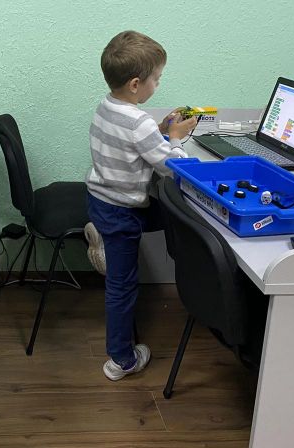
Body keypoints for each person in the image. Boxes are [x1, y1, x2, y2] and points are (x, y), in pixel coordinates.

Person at [84, 30, 197, 381]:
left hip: (101, 198)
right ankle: (121, 360)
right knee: (122, 285)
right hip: (122, 211)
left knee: (174, 216)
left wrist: (161, 130)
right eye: (156, 79)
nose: (158, 85)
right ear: (136, 84)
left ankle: (103, 236)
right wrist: (176, 139)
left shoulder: (107, 105)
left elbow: (133, 146)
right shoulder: (138, 122)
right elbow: (172, 168)